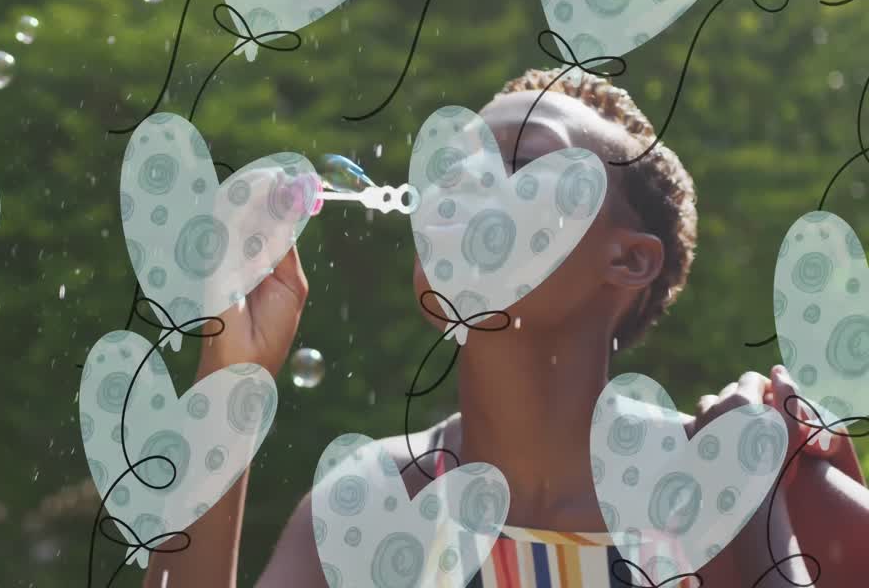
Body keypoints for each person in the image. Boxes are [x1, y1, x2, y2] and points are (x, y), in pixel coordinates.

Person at [142, 69, 869, 587]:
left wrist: (748, 509)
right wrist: (229, 382)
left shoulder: (718, 475)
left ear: (629, 259)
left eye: (520, 161)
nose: (461, 182)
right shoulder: (374, 500)